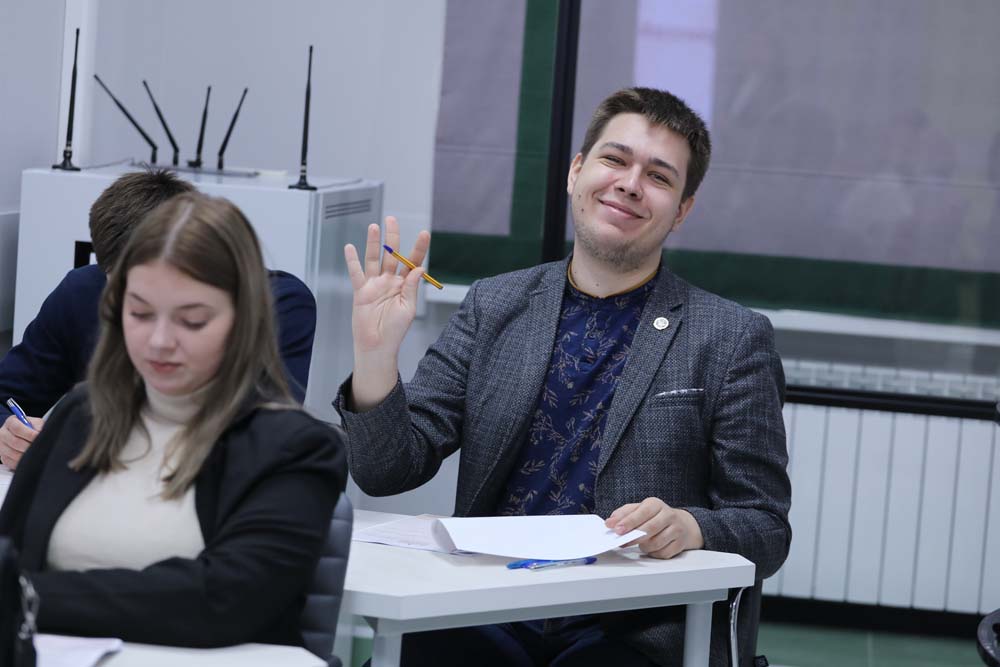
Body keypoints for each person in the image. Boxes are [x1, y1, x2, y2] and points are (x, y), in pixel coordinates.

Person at [337, 87, 791, 666]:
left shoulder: (730, 337)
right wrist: (375, 357)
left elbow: (765, 527)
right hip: (484, 607)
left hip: (634, 628)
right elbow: (386, 470)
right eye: (614, 159)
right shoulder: (494, 306)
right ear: (577, 172)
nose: (630, 183)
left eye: (658, 176)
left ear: (681, 210)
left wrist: (690, 527)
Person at [0, 192, 345, 647]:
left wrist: (29, 598)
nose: (160, 341)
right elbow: (9, 558)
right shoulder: (79, 416)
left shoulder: (296, 447)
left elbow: (222, 600)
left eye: (193, 321)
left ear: (244, 321)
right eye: (140, 313)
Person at [0, 169, 317, 470]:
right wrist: (9, 435)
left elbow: (258, 438)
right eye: (136, 308)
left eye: (191, 318)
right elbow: (9, 396)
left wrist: (84, 444)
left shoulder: (276, 304)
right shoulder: (83, 291)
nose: (158, 339)